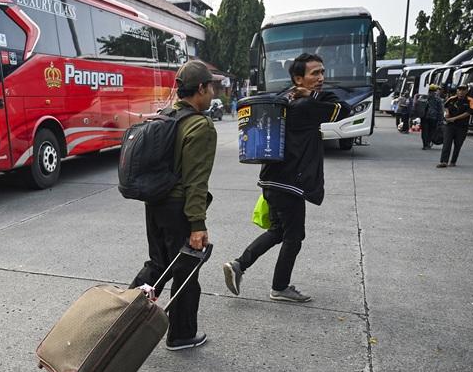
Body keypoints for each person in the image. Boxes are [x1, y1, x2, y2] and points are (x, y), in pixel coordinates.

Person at [223, 53, 344, 303]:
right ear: (299, 78)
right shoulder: (306, 106)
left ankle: (238, 265)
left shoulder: (283, 100)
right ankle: (280, 287)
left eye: (322, 72)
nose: (321, 78)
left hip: (272, 180)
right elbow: (343, 108)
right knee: (294, 237)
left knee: (279, 231)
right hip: (290, 183)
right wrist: (312, 96)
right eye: (315, 74)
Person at [129, 60, 217, 351]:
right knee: (186, 272)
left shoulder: (165, 116)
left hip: (154, 203)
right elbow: (196, 182)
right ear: (201, 88)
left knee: (157, 264)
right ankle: (181, 334)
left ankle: (120, 319)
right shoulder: (200, 126)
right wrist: (197, 225)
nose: (213, 92)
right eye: (211, 86)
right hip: (179, 208)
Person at [437, 84, 473, 168]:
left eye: (463, 90)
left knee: (458, 144)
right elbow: (445, 106)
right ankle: (443, 161)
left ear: (466, 91)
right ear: (457, 91)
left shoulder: (470, 100)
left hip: (462, 126)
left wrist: (454, 118)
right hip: (450, 125)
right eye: (459, 90)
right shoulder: (452, 99)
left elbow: (469, 112)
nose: (461, 92)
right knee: (447, 143)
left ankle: (453, 161)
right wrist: (447, 113)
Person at [420, 84, 444, 150]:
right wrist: (441, 119)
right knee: (431, 131)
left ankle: (425, 144)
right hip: (433, 117)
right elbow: (440, 110)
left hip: (424, 117)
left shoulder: (423, 97)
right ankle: (428, 143)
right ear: (435, 90)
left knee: (424, 131)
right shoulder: (438, 99)